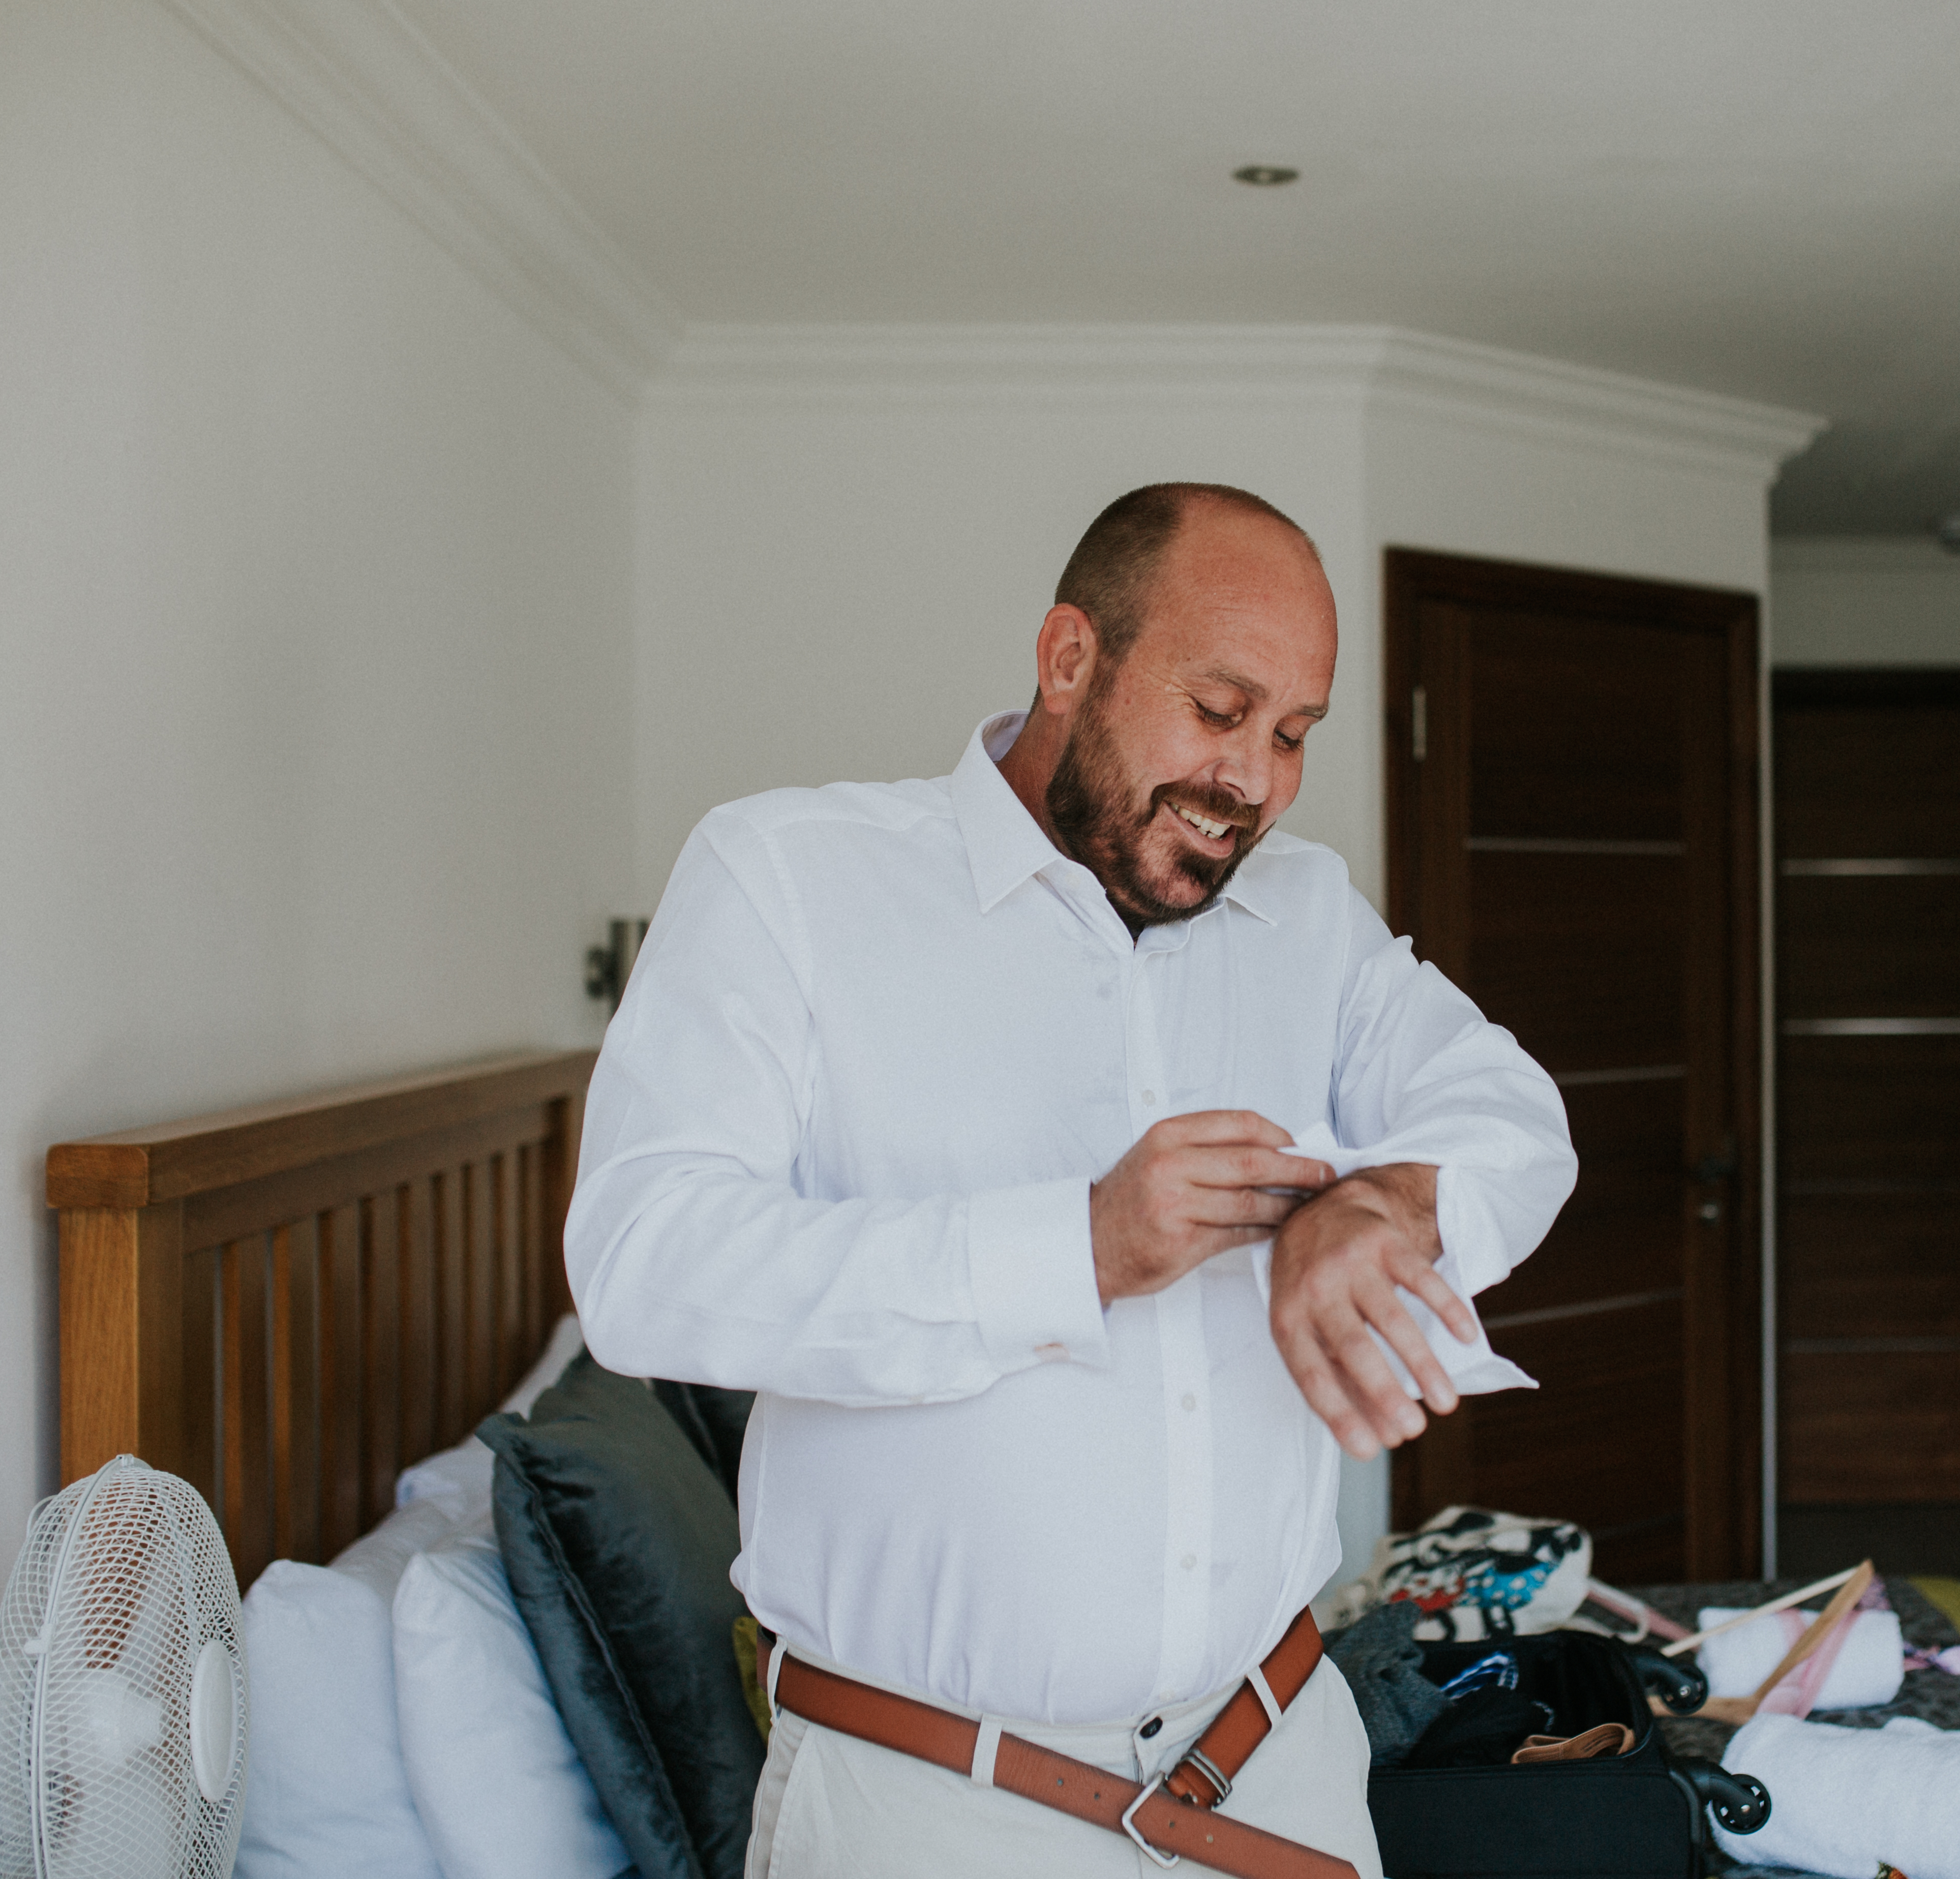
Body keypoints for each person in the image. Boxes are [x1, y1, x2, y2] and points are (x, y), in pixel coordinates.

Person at [566, 482, 1576, 1877]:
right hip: (932, 1809)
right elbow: (644, 1264)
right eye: (1220, 712)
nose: (1256, 782)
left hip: (1279, 1768)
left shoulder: (1306, 920)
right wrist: (1078, 1248)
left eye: (1294, 735)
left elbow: (1512, 1111)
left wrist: (1388, 1201)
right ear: (1068, 659)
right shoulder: (789, 880)